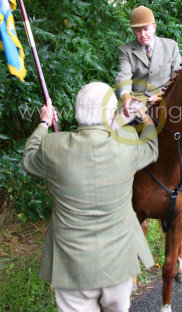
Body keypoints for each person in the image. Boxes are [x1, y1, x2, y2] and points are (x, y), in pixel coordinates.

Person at [22, 82, 158, 312]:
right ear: (110, 115)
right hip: (118, 263)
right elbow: (152, 148)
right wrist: (145, 118)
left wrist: (44, 122)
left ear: (77, 113)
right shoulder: (127, 144)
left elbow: (29, 158)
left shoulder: (52, 145)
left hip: (71, 266)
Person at [115, 6, 182, 193]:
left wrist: (164, 94)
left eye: (146, 29)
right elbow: (123, 76)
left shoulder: (170, 45)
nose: (142, 34)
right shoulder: (125, 50)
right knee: (118, 127)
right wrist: (125, 96)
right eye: (137, 30)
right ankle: (119, 176)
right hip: (138, 100)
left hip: (169, 98)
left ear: (154, 27)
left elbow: (180, 75)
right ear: (132, 30)